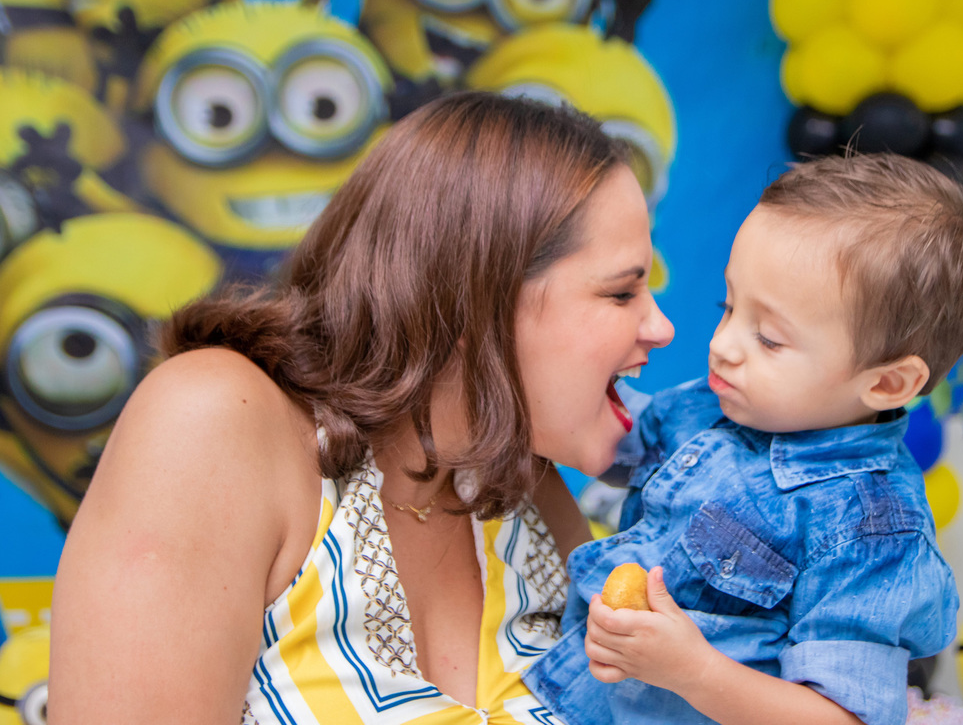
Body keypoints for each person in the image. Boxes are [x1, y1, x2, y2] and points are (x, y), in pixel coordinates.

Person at [47, 92, 674, 724]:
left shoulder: (524, 489)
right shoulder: (212, 420)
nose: (661, 327)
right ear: (474, 296)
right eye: (622, 292)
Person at [523, 154, 963, 725]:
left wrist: (693, 671)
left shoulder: (870, 530)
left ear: (887, 382)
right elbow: (600, 431)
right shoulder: (716, 404)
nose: (724, 344)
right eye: (727, 307)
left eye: (770, 339)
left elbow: (842, 717)